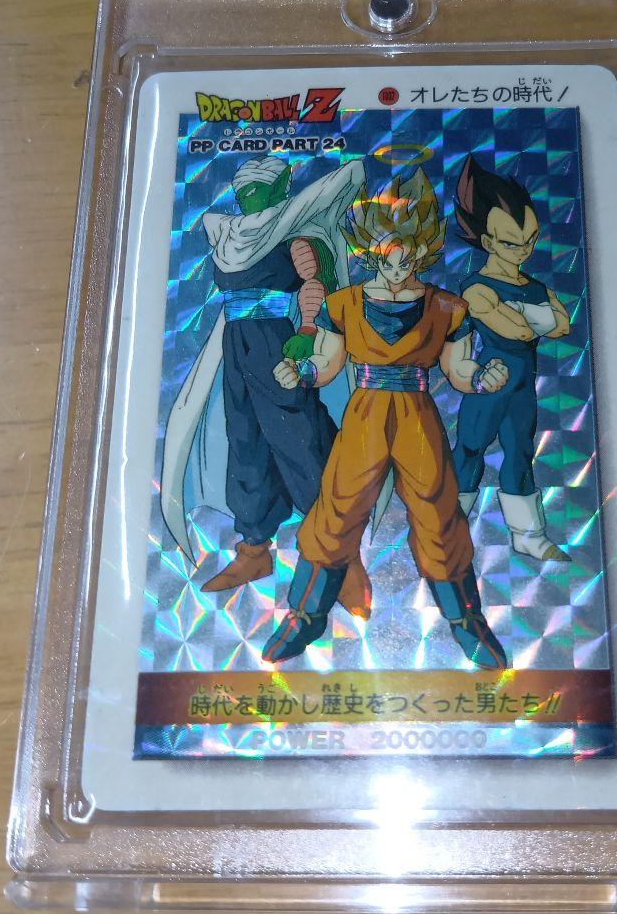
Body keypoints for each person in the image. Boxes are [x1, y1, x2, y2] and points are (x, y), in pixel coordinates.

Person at [263, 168, 510, 668]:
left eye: (409, 253)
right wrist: (301, 372)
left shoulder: (446, 307)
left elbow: (459, 371)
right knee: (337, 509)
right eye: (387, 252)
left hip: (417, 415)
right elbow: (327, 363)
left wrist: (485, 377)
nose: (398, 264)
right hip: (366, 414)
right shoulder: (344, 304)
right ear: (370, 249)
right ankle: (305, 615)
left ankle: (466, 620)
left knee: (438, 513)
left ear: (423, 250)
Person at [160, 156, 370, 617]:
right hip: (236, 347)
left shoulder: (292, 233)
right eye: (242, 190)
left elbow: (316, 283)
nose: (247, 196)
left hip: (276, 344)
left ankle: (342, 556)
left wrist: (309, 332)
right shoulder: (230, 235)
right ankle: (254, 548)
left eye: (257, 188)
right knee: (246, 443)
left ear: (277, 188)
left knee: (301, 440)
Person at [451, 155, 571, 562]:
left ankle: (529, 535)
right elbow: (517, 330)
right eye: (511, 243)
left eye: (530, 240)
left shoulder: (532, 286)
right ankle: (448, 526)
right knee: (471, 448)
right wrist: (535, 318)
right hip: (491, 380)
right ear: (487, 242)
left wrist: (527, 316)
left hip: (522, 385)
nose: (524, 250)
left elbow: (562, 326)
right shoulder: (476, 287)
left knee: (520, 452)